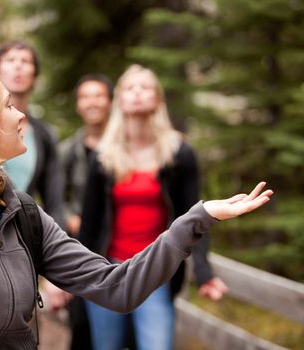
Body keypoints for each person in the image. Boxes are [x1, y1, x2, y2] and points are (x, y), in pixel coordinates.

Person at [0, 63, 272, 349]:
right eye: (8, 106)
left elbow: (117, 287)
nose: (21, 116)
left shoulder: (22, 212)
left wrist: (196, 219)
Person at [79, 64, 229, 350]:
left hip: (155, 268)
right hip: (107, 269)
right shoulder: (103, 157)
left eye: (145, 87)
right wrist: (73, 277)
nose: (137, 94)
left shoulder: (178, 154)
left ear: (158, 99)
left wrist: (204, 273)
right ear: (120, 100)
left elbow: (195, 217)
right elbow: (90, 223)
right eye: (130, 88)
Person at [49, 74, 114, 349]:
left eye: (98, 95)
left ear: (110, 102)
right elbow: (55, 198)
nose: (92, 103)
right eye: (86, 96)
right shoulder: (67, 151)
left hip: (118, 247)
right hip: (81, 249)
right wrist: (70, 218)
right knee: (82, 326)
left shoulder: (124, 149)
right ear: (78, 104)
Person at [0, 41, 64, 226]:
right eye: (10, 60)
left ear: (35, 76)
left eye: (25, 61)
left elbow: (54, 199)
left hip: (25, 231)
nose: (18, 66)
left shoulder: (45, 135)